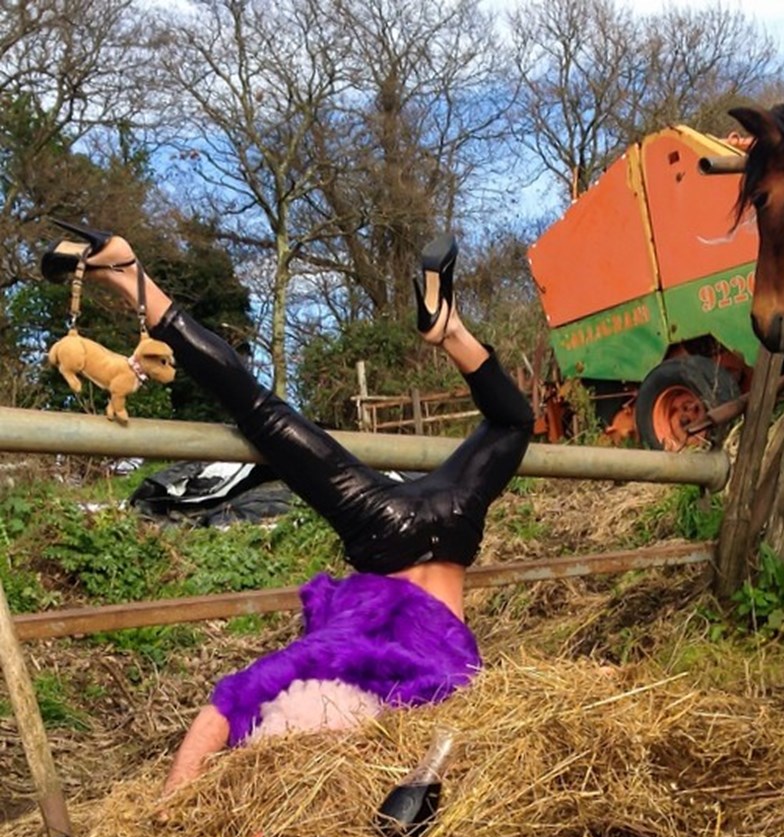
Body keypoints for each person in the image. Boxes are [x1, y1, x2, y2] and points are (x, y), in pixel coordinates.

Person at [41, 222, 534, 795]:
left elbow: (228, 704)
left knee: (267, 412)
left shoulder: (339, 664)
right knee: (262, 411)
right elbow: (227, 706)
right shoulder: (338, 667)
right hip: (401, 528)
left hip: (436, 527)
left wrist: (168, 811)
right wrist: (172, 804)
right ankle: (134, 280)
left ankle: (450, 329)